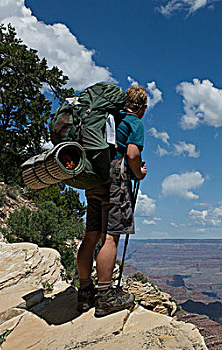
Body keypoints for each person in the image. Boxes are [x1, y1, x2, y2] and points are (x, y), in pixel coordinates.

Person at [76, 85, 148, 317]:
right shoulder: (134, 122)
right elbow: (132, 155)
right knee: (110, 237)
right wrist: (139, 173)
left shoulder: (108, 117)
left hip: (95, 179)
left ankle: (85, 292)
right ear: (142, 107)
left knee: (91, 235)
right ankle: (105, 296)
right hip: (116, 181)